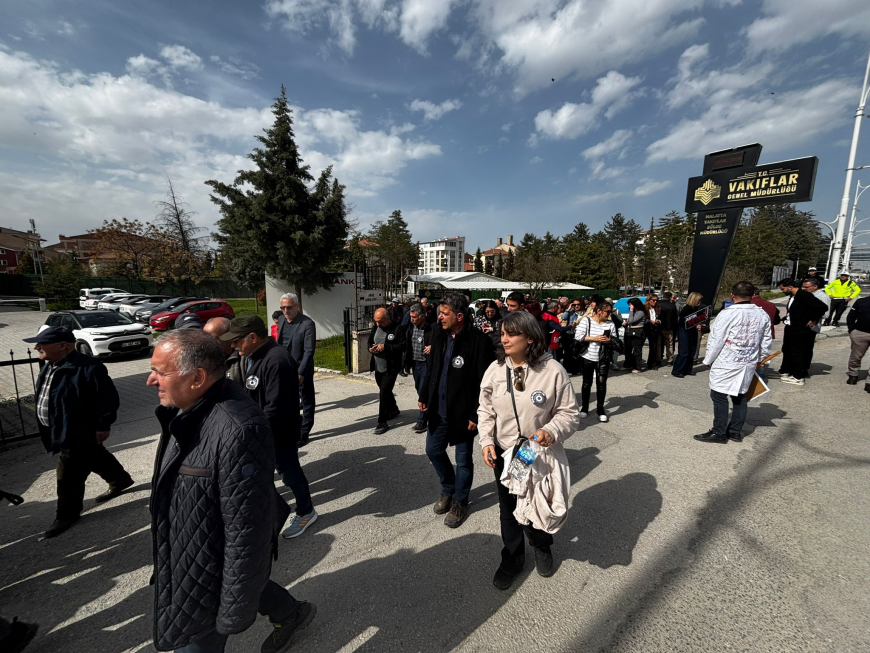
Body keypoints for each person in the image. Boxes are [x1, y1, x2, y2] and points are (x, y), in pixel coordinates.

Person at [147, 330, 315, 652]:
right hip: (193, 553)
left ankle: (288, 613)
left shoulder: (239, 429)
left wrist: (233, 614)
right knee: (252, 583)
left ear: (197, 377)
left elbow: (246, 533)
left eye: (160, 372)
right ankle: (290, 612)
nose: (151, 381)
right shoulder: (182, 409)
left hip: (208, 569)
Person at [477, 311, 580, 590]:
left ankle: (541, 543)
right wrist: (486, 441)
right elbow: (485, 410)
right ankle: (512, 558)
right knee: (508, 507)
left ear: (530, 338)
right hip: (504, 451)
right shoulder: (496, 370)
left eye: (511, 334)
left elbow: (569, 413)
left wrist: (551, 431)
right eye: (502, 333)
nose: (504, 338)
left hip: (531, 452)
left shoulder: (552, 371)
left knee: (534, 502)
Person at [24, 326, 133, 538]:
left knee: (68, 474)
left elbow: (108, 400)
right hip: (60, 428)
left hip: (77, 431)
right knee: (94, 455)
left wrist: (103, 425)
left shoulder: (88, 368)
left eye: (41, 343)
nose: (36, 347)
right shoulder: (50, 365)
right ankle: (120, 480)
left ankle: (67, 514)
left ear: (62, 346)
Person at [221, 315, 317, 538]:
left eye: (236, 340)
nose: (233, 345)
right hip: (261, 432)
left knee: (290, 473)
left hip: (277, 434)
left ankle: (306, 511)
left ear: (252, 337)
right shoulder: (254, 355)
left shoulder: (277, 361)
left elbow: (275, 408)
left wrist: (251, 434)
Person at [418, 294, 495, 528]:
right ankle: (448, 489)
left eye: (445, 313)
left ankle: (460, 501)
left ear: (459, 316)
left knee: (463, 460)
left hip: (463, 413)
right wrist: (424, 395)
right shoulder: (439, 335)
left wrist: (476, 413)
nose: (439, 316)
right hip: (439, 409)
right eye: (439, 312)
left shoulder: (479, 342)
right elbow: (432, 369)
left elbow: (485, 383)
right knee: (433, 450)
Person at [694, 282, 772, 444]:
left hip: (727, 361)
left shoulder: (727, 314)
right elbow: (766, 339)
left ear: (732, 295)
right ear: (752, 295)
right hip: (748, 361)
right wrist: (761, 358)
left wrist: (709, 360)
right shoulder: (761, 314)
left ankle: (719, 432)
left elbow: (716, 340)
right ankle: (735, 431)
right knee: (740, 396)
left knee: (719, 395)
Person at [276, 292, 317, 446]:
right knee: (288, 400)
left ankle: (305, 431)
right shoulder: (281, 319)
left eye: (289, 307)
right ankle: (294, 426)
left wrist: (301, 372)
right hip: (284, 367)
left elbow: (309, 351)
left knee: (306, 400)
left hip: (301, 368)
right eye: (283, 308)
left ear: (297, 307)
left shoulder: (307, 324)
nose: (286, 311)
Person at [575, 301, 620, 422]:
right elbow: (578, 336)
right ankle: (584, 408)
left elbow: (614, 339)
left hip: (603, 357)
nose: (609, 314)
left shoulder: (610, 323)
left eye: (611, 311)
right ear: (599, 311)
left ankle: (600, 409)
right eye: (607, 311)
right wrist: (594, 338)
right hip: (587, 356)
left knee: (601, 384)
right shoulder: (587, 321)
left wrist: (609, 340)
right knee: (587, 383)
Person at [777, 279, 828, 386]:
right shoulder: (793, 296)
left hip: (799, 328)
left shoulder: (804, 295)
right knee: (786, 349)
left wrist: (812, 320)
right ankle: (786, 370)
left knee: (797, 351)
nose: (782, 291)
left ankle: (798, 376)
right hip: (790, 326)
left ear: (790, 287)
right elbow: (796, 310)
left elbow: (822, 307)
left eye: (783, 289)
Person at [368, 307, 406, 434]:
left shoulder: (397, 328)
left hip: (391, 367)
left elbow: (402, 346)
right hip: (378, 366)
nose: (378, 324)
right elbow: (369, 342)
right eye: (376, 321)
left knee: (383, 392)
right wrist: (370, 349)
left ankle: (382, 422)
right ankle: (393, 409)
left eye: (380, 322)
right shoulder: (375, 327)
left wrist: (386, 347)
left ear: (388, 319)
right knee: (385, 390)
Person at [406, 303, 433, 433]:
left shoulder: (432, 328)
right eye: (411, 317)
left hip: (425, 365)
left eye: (414, 317)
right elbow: (407, 345)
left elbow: (442, 340)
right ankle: (429, 410)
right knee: (418, 388)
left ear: (422, 317)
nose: (412, 319)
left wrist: (432, 347)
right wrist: (406, 364)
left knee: (423, 390)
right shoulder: (411, 327)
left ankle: (422, 421)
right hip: (415, 364)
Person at [672, 292, 706, 378]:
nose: (700, 302)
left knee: (692, 351)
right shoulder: (686, 309)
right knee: (684, 352)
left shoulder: (697, 308)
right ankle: (677, 370)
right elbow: (683, 323)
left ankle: (687, 369)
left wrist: (701, 324)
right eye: (699, 300)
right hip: (685, 332)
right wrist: (695, 325)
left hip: (693, 332)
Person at [203, 317, 246, 384]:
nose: (207, 343)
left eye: (213, 339)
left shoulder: (243, 359)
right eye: (205, 339)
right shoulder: (202, 361)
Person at [802, 277, 831, 374]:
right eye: (803, 287)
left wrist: (812, 317)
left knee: (806, 348)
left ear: (815, 286)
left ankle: (804, 368)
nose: (804, 289)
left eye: (807, 287)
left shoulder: (822, 297)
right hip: (801, 325)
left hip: (812, 326)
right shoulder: (806, 295)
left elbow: (826, 314)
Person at [846, 292, 870, 387]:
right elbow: (851, 316)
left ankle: (869, 382)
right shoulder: (861, 301)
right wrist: (852, 330)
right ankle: (853, 374)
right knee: (855, 356)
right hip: (860, 333)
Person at [622, 298, 647, 373]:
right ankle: (628, 364)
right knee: (628, 349)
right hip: (629, 332)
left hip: (637, 332)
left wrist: (631, 310)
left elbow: (631, 320)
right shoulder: (633, 312)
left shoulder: (640, 312)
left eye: (630, 305)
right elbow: (630, 320)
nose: (629, 306)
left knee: (637, 350)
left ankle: (637, 367)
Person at [658, 291, 679, 364]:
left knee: (659, 344)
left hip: (659, 326)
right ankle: (669, 360)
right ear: (670, 297)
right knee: (669, 344)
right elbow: (675, 317)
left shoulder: (658, 304)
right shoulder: (672, 306)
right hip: (669, 327)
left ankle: (659, 358)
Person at [644, 294, 662, 370]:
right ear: (649, 300)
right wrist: (649, 321)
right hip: (645, 328)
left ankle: (652, 363)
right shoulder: (644, 308)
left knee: (654, 347)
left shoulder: (658, 308)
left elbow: (661, 318)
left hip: (654, 329)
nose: (655, 302)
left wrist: (659, 321)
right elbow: (643, 319)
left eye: (656, 300)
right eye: (653, 300)